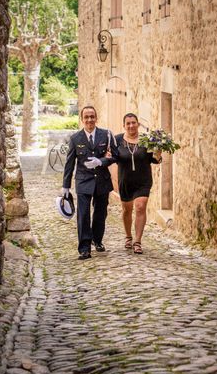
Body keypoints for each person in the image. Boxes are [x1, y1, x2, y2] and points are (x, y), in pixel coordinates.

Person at [62, 106, 116, 260]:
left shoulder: (106, 135)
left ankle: (97, 240)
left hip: (102, 181)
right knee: (83, 214)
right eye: (86, 117)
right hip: (83, 181)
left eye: (92, 116)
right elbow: (69, 164)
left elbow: (115, 156)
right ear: (82, 119)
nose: (89, 120)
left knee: (100, 213)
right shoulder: (75, 138)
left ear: (96, 118)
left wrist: (101, 161)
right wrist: (65, 186)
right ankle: (84, 248)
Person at [112, 113, 161, 254]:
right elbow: (112, 157)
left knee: (140, 207)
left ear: (138, 124)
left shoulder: (147, 140)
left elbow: (156, 160)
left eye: (133, 122)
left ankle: (137, 241)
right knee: (127, 210)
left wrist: (158, 154)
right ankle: (128, 236)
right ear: (124, 126)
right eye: (128, 123)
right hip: (125, 181)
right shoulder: (117, 140)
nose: (131, 125)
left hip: (143, 181)